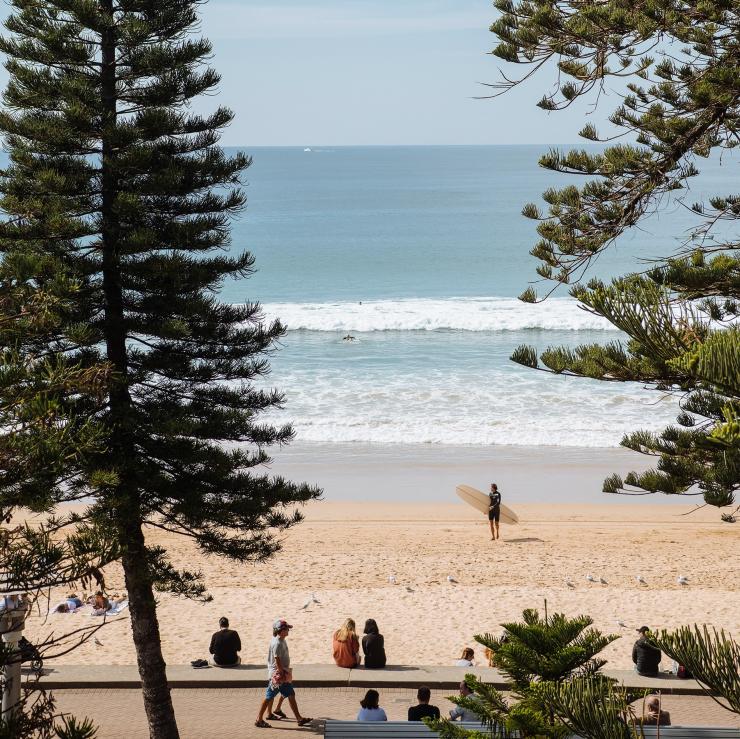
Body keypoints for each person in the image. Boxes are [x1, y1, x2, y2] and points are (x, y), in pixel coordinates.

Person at [255, 619, 312, 729]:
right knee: (274, 696)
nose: (288, 631)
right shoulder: (277, 643)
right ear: (281, 630)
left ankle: (270, 715)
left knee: (277, 695)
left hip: (278, 673)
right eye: (287, 629)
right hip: (278, 675)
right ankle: (259, 719)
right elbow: (277, 659)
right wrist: (282, 674)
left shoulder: (280, 640)